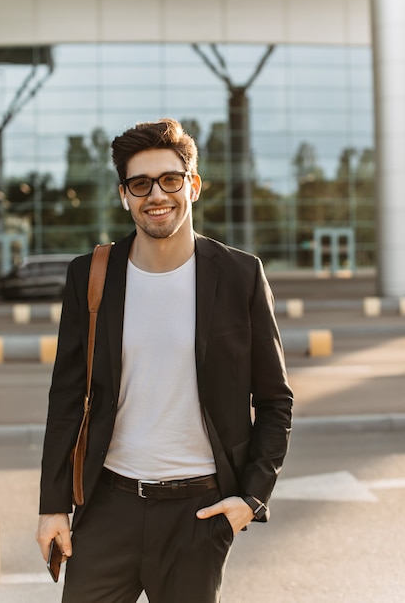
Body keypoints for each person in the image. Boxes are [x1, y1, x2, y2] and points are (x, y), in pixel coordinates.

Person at [36, 118, 293, 603]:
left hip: (197, 515)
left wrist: (251, 499)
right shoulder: (91, 276)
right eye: (140, 184)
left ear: (192, 186)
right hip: (107, 506)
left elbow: (276, 401)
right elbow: (67, 398)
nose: (156, 195)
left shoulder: (240, 275)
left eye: (170, 180)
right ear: (124, 195)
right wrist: (53, 507)